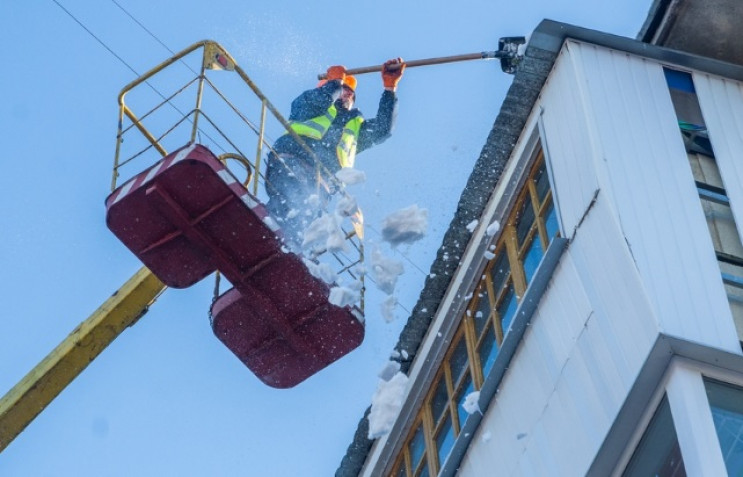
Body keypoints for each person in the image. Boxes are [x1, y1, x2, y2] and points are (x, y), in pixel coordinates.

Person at [265, 58, 406, 250]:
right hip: (293, 161)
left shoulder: (355, 127)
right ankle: (272, 236)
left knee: (306, 215)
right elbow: (322, 98)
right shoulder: (307, 103)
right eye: (342, 88)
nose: (346, 92)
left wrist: (390, 89)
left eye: (350, 92)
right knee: (293, 199)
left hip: (323, 183)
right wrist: (335, 82)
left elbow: (383, 130)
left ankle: (289, 248)